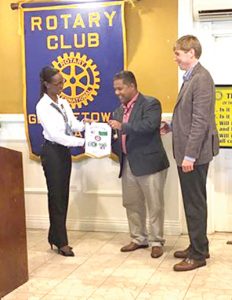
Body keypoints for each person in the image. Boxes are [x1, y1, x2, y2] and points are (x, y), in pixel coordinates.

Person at [162, 35, 219, 271]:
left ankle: (197, 255)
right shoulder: (191, 77)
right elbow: (187, 115)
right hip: (189, 150)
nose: (175, 58)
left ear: (190, 53)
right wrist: (171, 126)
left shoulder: (201, 78)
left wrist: (190, 156)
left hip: (194, 154)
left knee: (194, 203)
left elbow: (200, 122)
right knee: (194, 201)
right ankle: (199, 245)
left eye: (177, 53)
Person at [109, 71, 169, 258]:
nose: (117, 93)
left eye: (120, 88)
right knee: (132, 203)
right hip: (128, 163)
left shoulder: (150, 103)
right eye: (115, 89)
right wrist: (98, 132)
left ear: (132, 86)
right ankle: (138, 238)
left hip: (150, 163)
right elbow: (115, 136)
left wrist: (122, 126)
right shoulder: (118, 111)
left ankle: (156, 241)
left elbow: (149, 126)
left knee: (155, 204)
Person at [36, 66, 87, 257]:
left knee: (62, 195)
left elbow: (72, 124)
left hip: (63, 153)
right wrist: (83, 142)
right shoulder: (42, 106)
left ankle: (54, 236)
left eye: (62, 82)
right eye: (57, 83)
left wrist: (85, 125)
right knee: (56, 196)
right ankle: (61, 241)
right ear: (46, 84)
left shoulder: (63, 102)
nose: (61, 86)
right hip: (52, 153)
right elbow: (57, 136)